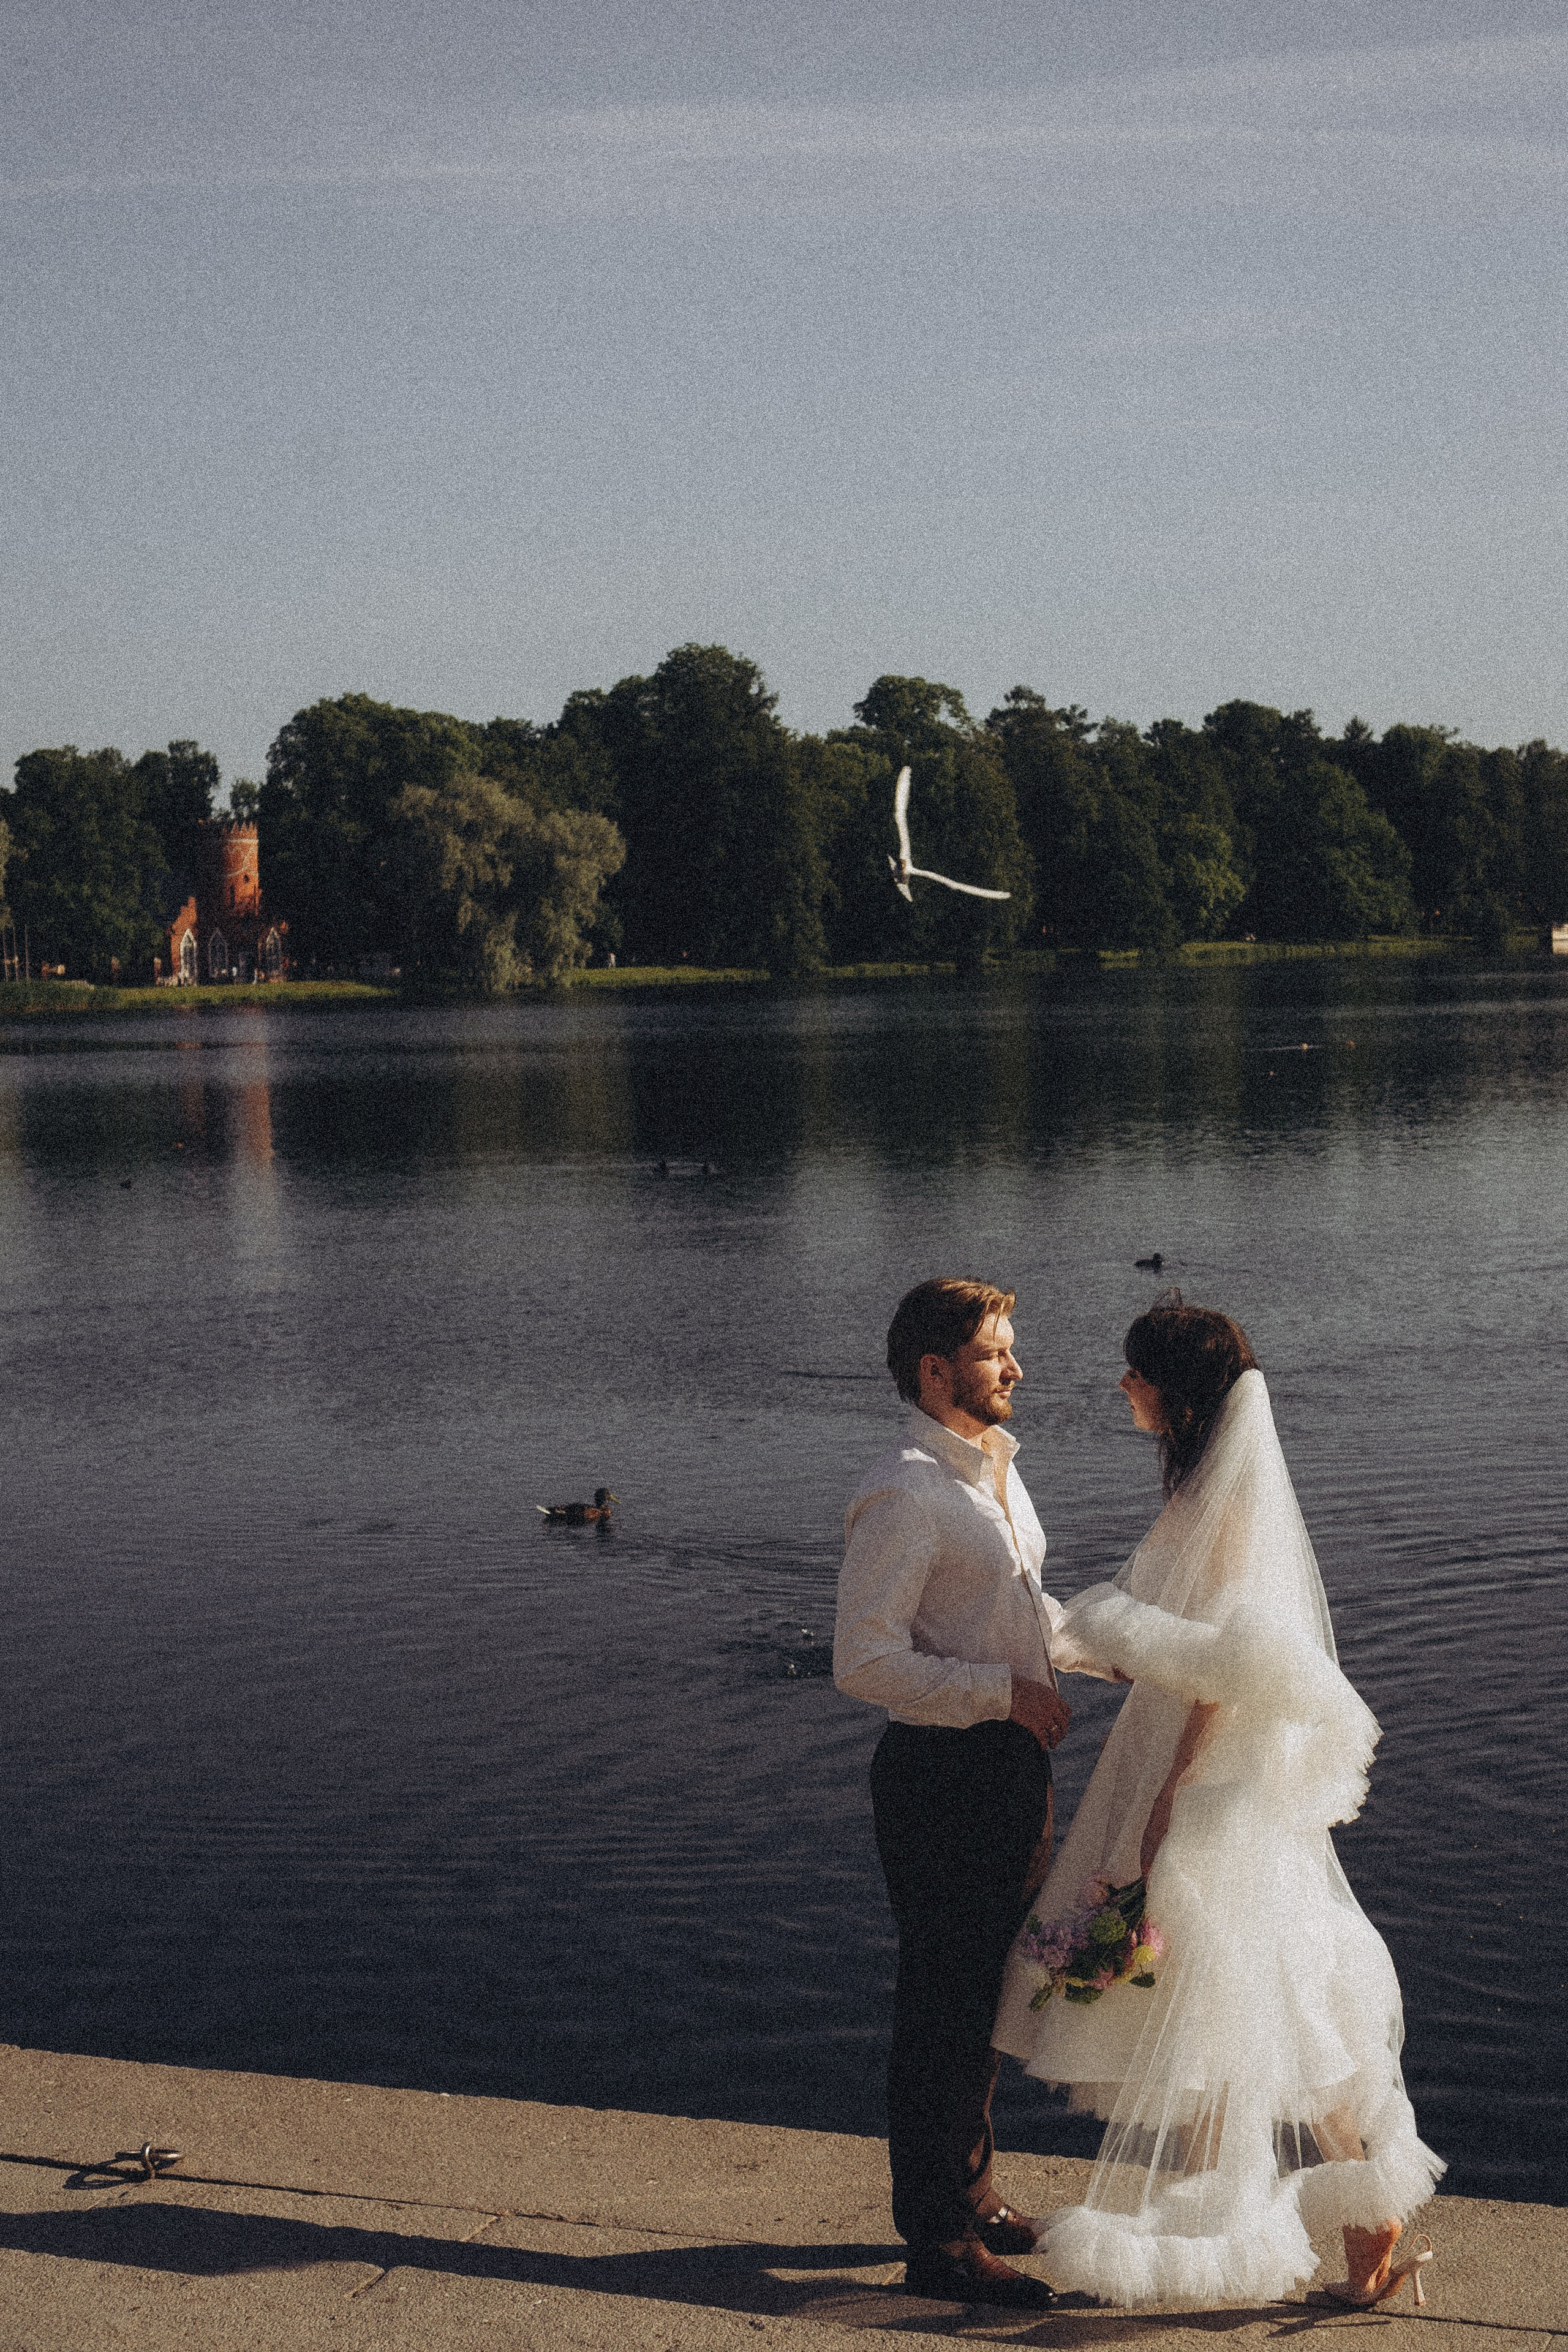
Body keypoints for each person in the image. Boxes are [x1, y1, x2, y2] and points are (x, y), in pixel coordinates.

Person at [993, 1292, 1444, 2309]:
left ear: (1177, 1392)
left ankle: (1264, 2227)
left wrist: (1170, 1797)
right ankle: (1367, 2228)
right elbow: (1176, 1655)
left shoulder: (1229, 1506)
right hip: (1190, 1763)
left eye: (1137, 1372)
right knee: (1257, 1998)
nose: (1123, 1387)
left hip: (1211, 1780)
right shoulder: (1205, 1493)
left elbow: (1225, 1670)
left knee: (1224, 1997)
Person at [835, 1278, 1071, 2312]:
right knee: (942, 2006)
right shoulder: (905, 1492)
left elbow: (1014, 1611)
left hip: (1010, 1767)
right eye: (993, 1353)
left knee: (988, 1998)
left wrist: (1118, 1651)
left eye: (1010, 1350)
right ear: (936, 1373)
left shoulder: (997, 1475)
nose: (1014, 1367)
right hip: (942, 1779)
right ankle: (933, 2242)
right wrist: (1002, 1694)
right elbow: (863, 1662)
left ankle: (972, 2195)